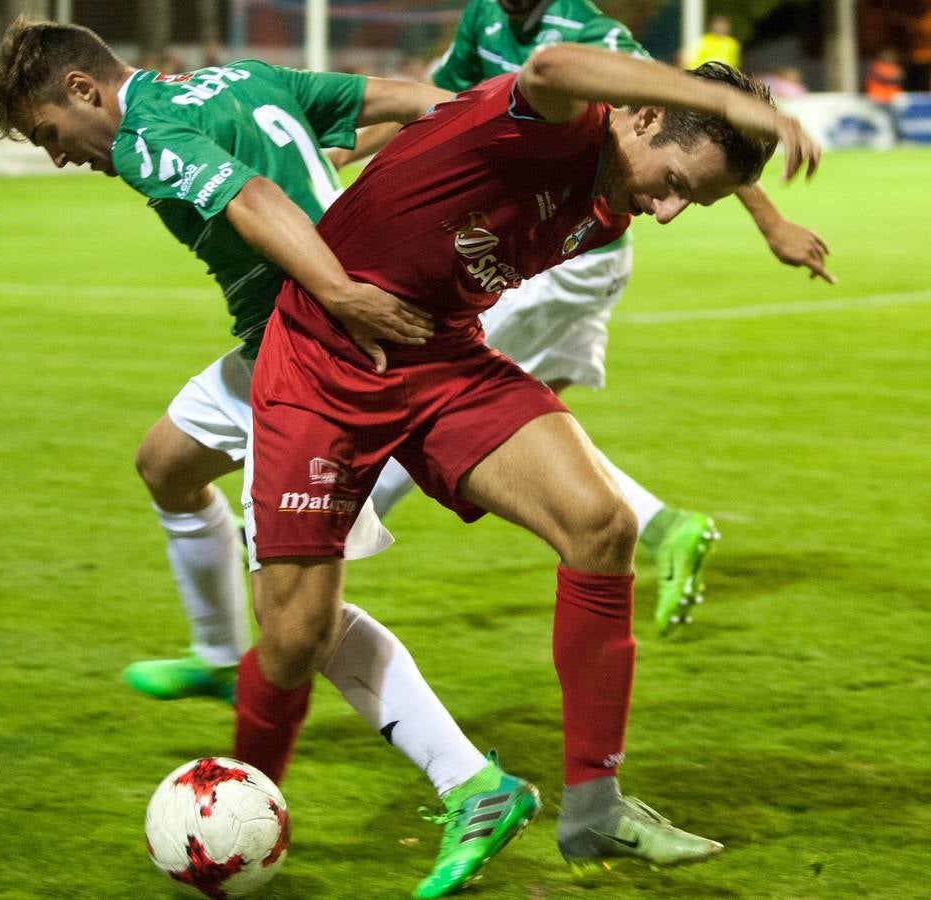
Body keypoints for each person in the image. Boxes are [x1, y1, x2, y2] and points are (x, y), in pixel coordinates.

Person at [0, 18, 541, 897]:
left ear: (84, 90)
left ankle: (468, 780)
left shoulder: (144, 134)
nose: (59, 157)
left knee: (298, 628)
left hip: (312, 350)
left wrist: (342, 290)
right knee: (166, 463)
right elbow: (422, 103)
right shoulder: (231, 81)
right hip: (271, 343)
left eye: (50, 134)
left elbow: (250, 200)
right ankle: (215, 655)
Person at [244, 41, 819, 878]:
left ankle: (594, 807)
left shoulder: (611, 200)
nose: (666, 213)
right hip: (323, 360)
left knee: (600, 523)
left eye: (690, 203)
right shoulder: (558, 123)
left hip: (437, 355)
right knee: (293, 639)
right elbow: (549, 66)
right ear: (642, 113)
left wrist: (756, 195)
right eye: (674, 186)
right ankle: (242, 795)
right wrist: (737, 104)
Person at [366, 0, 834, 637]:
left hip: (575, 256)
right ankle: (666, 526)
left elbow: (691, 127)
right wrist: (354, 146)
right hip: (564, 243)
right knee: (531, 423)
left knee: (431, 398)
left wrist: (770, 219)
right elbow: (438, 98)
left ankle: (322, 530)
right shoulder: (485, 18)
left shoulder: (592, 35)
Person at [864, 47, 905, 142]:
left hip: (889, 99)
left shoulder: (893, 67)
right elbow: (883, 79)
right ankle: (899, 139)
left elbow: (900, 78)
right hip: (877, 99)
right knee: (890, 120)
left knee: (893, 120)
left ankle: (899, 140)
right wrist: (893, 77)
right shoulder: (876, 67)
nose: (889, 58)